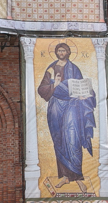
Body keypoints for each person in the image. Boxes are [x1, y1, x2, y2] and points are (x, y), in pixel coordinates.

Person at [36, 42, 96, 194]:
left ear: (68, 52)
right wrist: (55, 85)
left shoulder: (74, 68)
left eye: (64, 50)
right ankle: (64, 176)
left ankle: (78, 177)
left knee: (72, 139)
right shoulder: (51, 68)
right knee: (59, 140)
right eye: (59, 50)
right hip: (56, 107)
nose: (61, 52)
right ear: (56, 52)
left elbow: (82, 86)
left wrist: (84, 96)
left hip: (71, 107)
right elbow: (42, 89)